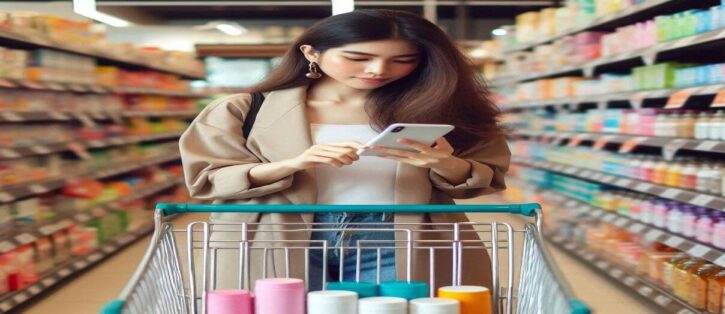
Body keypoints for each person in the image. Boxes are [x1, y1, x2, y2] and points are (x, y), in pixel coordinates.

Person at [179, 9, 510, 292]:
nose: (378, 70)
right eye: (358, 58)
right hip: (279, 232)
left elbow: (487, 174)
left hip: (396, 236)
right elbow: (207, 181)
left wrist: (446, 164)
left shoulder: (440, 107)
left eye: (403, 60)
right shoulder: (243, 109)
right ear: (311, 53)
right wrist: (292, 164)